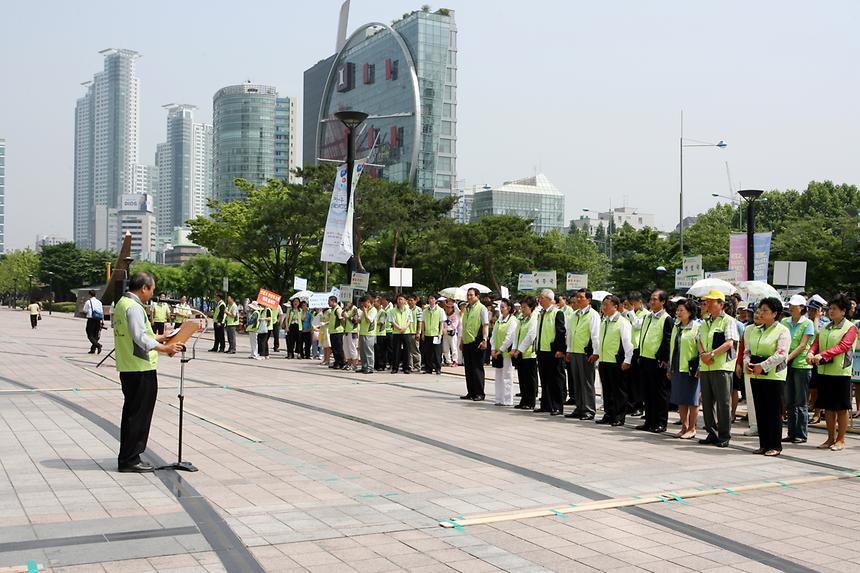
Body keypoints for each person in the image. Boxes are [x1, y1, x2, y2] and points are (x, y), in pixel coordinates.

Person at [112, 272, 184, 472]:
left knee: (132, 413)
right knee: (138, 415)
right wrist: (166, 348)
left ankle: (129, 456)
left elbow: (140, 334)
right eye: (152, 289)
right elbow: (139, 338)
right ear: (144, 287)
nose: (152, 294)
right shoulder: (134, 307)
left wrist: (161, 338)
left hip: (130, 367)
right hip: (140, 368)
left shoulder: (121, 304)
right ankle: (130, 459)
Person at [807, 293, 858, 451]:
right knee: (828, 407)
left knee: (841, 408)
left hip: (840, 373)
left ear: (843, 311)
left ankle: (841, 439)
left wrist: (823, 355)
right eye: (830, 308)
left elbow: (843, 346)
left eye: (834, 309)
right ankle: (830, 438)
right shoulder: (826, 326)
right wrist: (811, 352)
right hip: (824, 371)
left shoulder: (850, 327)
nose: (831, 311)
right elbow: (816, 342)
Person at [742, 297, 790, 456]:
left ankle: (775, 445)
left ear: (775, 313)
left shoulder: (782, 330)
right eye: (760, 310)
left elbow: (781, 354)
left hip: (773, 376)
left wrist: (762, 366)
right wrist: (747, 363)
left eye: (765, 311)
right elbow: (747, 350)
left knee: (773, 412)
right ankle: (764, 444)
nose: (761, 313)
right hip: (756, 375)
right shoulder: (754, 330)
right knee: (760, 410)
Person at [696, 290, 738, 448]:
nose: (708, 304)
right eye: (707, 301)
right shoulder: (705, 321)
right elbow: (698, 339)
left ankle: (724, 435)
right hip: (706, 365)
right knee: (706, 402)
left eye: (712, 301)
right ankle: (711, 432)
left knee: (723, 402)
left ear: (721, 304)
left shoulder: (728, 321)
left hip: (721, 367)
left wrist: (712, 354)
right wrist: (703, 355)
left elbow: (729, 343)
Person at [635, 290, 674, 433]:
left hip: (657, 361)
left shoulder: (667, 319)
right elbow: (643, 335)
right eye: (651, 299)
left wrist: (664, 358)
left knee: (660, 393)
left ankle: (660, 422)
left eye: (655, 299)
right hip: (645, 358)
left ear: (663, 302)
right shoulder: (647, 317)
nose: (652, 302)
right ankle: (649, 421)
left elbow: (667, 340)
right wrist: (640, 353)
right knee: (647, 392)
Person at [780, 295, 814, 444]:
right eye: (790, 305)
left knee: (800, 401)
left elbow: (802, 345)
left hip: (801, 365)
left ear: (802, 308)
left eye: (795, 305)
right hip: (786, 364)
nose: (792, 307)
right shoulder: (784, 322)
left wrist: (787, 358)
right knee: (789, 400)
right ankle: (791, 432)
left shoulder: (808, 323)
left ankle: (801, 433)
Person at [596, 295, 633, 426]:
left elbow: (628, 343)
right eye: (603, 304)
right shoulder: (604, 321)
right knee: (606, 390)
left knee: (619, 390)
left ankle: (619, 416)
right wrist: (597, 354)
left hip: (616, 360)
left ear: (615, 307)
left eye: (607, 304)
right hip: (604, 360)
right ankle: (609, 414)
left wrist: (628, 359)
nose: (604, 307)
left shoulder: (622, 322)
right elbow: (599, 340)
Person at [565, 289, 601, 420]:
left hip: (586, 353)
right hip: (574, 351)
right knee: (577, 381)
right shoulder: (574, 315)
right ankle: (579, 407)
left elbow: (595, 335)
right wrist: (568, 350)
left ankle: (589, 409)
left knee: (586, 382)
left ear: (589, 300)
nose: (578, 299)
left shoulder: (593, 315)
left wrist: (596, 352)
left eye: (581, 297)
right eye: (577, 297)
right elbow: (569, 333)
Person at [668, 298, 701, 439]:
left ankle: (692, 428)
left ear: (690, 312)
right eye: (677, 310)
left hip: (691, 368)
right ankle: (684, 426)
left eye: (682, 310)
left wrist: (700, 366)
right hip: (677, 367)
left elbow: (701, 348)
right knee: (680, 399)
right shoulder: (676, 326)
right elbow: (673, 348)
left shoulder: (698, 326)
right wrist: (669, 368)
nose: (678, 313)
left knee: (692, 400)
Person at [534, 289, 567, 415]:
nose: (540, 300)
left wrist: (560, 349)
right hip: (542, 350)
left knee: (556, 379)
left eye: (542, 298)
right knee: (545, 379)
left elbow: (560, 332)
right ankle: (546, 404)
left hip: (553, 351)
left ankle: (557, 405)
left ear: (549, 299)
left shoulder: (557, 313)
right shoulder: (541, 313)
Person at [460, 288, 489, 400]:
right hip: (467, 341)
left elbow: (485, 325)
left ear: (477, 296)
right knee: (468, 368)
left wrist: (484, 339)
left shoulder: (482, 309)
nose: (469, 297)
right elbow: (464, 326)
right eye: (468, 295)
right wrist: (462, 341)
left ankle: (479, 393)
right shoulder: (466, 308)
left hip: (477, 341)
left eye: (471, 295)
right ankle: (471, 392)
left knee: (477, 368)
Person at [512, 296, 539, 409]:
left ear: (531, 307)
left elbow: (531, 335)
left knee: (530, 379)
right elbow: (516, 334)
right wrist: (514, 348)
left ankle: (530, 402)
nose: (522, 309)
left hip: (529, 353)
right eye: (522, 307)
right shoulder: (521, 318)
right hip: (520, 353)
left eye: (525, 307)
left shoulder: (534, 318)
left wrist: (520, 349)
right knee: (522, 378)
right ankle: (524, 400)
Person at [491, 298, 518, 406]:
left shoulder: (513, 321)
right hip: (497, 352)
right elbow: (493, 335)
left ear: (509, 308)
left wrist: (501, 349)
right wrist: (493, 348)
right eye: (500, 307)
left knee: (507, 376)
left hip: (506, 353)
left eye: (503, 307)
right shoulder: (499, 320)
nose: (501, 309)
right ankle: (498, 398)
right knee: (498, 376)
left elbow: (509, 337)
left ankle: (507, 399)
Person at [421, 294, 445, 375]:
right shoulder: (425, 311)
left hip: (436, 334)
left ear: (436, 300)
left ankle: (438, 368)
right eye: (429, 298)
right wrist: (423, 333)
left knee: (437, 352)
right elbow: (423, 322)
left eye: (432, 298)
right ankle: (429, 368)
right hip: (428, 334)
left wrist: (440, 333)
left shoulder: (440, 310)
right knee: (428, 352)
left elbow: (441, 322)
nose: (430, 300)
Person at [390, 294, 413, 374]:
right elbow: (392, 321)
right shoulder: (393, 310)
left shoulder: (409, 310)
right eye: (398, 299)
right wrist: (399, 328)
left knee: (407, 350)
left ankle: (406, 368)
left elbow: (409, 321)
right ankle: (395, 368)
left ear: (405, 301)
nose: (400, 301)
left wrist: (404, 328)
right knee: (396, 350)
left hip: (406, 332)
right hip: (397, 332)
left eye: (401, 299)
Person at [358, 295, 377, 374]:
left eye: (364, 303)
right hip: (362, 332)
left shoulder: (373, 310)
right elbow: (361, 320)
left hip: (370, 333)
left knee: (369, 351)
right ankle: (364, 366)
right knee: (362, 352)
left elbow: (369, 320)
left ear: (368, 302)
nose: (363, 305)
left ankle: (370, 367)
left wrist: (365, 311)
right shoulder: (363, 310)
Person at [326, 296, 345, 369]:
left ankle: (341, 362)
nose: (328, 303)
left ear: (333, 301)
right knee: (334, 348)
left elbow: (342, 319)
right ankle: (336, 362)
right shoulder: (332, 310)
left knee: (339, 348)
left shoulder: (338, 309)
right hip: (332, 332)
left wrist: (344, 328)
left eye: (329, 301)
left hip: (338, 332)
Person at [342, 300, 360, 371]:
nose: (346, 303)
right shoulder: (347, 309)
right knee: (346, 348)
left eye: (348, 302)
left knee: (352, 348)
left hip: (353, 331)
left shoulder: (354, 309)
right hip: (346, 331)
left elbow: (355, 321)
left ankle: (354, 365)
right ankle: (349, 364)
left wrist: (347, 317)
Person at [407, 295, 423, 372]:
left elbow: (420, 322)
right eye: (409, 300)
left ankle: (417, 366)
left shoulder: (418, 310)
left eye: (412, 300)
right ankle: (410, 366)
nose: (410, 302)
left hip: (414, 332)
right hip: (406, 332)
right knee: (408, 350)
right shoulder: (406, 309)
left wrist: (418, 332)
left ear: (415, 301)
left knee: (415, 349)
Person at [442, 299, 460, 366]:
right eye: (447, 307)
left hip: (452, 333)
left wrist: (447, 329)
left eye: (450, 307)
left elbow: (454, 325)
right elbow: (442, 323)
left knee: (453, 347)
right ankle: (448, 361)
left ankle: (455, 361)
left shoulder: (455, 316)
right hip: (444, 333)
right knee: (445, 348)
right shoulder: (444, 315)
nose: (448, 309)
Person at [373, 297, 388, 370]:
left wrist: (373, 322)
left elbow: (381, 322)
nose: (374, 303)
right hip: (375, 333)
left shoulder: (382, 312)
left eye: (375, 302)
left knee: (381, 350)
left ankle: (382, 365)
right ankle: (376, 365)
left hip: (381, 334)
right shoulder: (375, 311)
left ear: (379, 303)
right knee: (376, 350)